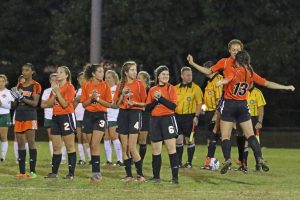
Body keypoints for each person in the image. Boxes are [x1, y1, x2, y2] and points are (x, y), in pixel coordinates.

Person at [215, 50, 295, 174]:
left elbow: (229, 77)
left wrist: (222, 82)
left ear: (237, 60)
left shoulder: (233, 69)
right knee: (250, 135)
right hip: (242, 106)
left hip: (229, 105)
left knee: (225, 136)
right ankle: (259, 158)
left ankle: (227, 159)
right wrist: (285, 87)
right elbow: (267, 83)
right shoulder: (250, 73)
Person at [113, 61, 147, 182]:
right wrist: (122, 95)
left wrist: (135, 103)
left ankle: (140, 175)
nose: (135, 72)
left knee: (132, 147)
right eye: (132, 70)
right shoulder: (120, 85)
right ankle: (128, 175)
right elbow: (115, 105)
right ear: (126, 72)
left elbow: (145, 104)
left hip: (135, 113)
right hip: (123, 114)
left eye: (135, 69)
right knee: (124, 147)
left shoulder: (139, 84)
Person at [145, 65, 179, 184]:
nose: (166, 76)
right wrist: (155, 100)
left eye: (167, 74)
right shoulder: (152, 89)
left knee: (171, 148)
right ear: (158, 76)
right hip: (155, 120)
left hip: (168, 119)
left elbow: (173, 106)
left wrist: (161, 98)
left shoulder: (172, 88)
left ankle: (175, 178)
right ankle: (156, 177)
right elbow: (147, 108)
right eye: (163, 74)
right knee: (155, 149)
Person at [80, 64, 112, 183]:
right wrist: (91, 99)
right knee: (91, 145)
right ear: (93, 74)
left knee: (94, 144)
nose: (102, 73)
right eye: (99, 71)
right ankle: (94, 174)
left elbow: (109, 104)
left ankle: (97, 173)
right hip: (88, 116)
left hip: (100, 116)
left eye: (102, 71)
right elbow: (84, 104)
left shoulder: (105, 86)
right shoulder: (86, 85)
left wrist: (97, 99)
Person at [44, 66, 77, 179]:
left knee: (70, 146)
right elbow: (48, 104)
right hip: (55, 117)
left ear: (66, 75)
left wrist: (57, 92)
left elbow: (64, 104)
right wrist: (54, 93)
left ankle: (71, 174)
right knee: (56, 147)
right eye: (57, 72)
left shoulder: (70, 87)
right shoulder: (55, 87)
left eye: (61, 72)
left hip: (66, 116)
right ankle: (54, 173)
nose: (58, 74)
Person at [11, 63, 42, 178]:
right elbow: (14, 104)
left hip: (30, 116)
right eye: (23, 70)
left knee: (31, 143)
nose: (24, 72)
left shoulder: (36, 85)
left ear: (32, 72)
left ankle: (33, 171)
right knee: (20, 144)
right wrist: (14, 97)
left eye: (27, 70)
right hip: (19, 115)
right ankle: (22, 172)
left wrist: (22, 98)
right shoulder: (20, 84)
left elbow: (35, 103)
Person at [175, 66, 203, 168]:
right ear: (182, 76)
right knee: (178, 139)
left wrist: (196, 116)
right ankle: (178, 162)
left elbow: (199, 104)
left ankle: (189, 162)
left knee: (189, 139)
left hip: (190, 117)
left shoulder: (196, 88)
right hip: (177, 116)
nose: (189, 77)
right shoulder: (176, 88)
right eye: (187, 75)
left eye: (190, 75)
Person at [236, 84, 267, 171]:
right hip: (243, 118)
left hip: (253, 119)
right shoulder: (241, 91)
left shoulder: (257, 92)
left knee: (253, 143)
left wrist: (259, 121)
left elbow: (261, 109)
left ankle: (258, 163)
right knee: (244, 142)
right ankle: (244, 164)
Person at [200, 61, 224, 169]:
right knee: (210, 138)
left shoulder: (218, 79)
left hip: (216, 112)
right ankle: (209, 160)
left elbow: (219, 99)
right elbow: (207, 99)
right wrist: (203, 109)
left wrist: (215, 114)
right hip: (209, 112)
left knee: (214, 137)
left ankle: (210, 161)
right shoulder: (209, 81)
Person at [41, 73, 68, 164]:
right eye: (52, 80)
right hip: (49, 117)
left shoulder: (63, 89)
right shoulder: (47, 91)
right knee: (51, 138)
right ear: (50, 81)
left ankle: (63, 158)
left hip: (61, 116)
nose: (55, 81)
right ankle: (54, 157)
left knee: (62, 138)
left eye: (56, 79)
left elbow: (65, 104)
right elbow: (42, 105)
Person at [103, 70, 123, 166]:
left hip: (114, 116)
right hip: (105, 116)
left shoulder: (117, 89)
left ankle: (120, 160)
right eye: (106, 77)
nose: (107, 79)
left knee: (114, 137)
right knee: (106, 138)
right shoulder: (104, 89)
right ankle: (109, 160)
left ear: (114, 78)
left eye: (109, 77)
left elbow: (118, 103)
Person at [74, 71, 91, 165]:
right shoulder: (76, 90)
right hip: (77, 117)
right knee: (79, 138)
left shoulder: (88, 89)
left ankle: (90, 158)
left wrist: (79, 99)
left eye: (83, 78)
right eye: (80, 78)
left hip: (86, 117)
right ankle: (82, 159)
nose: (82, 80)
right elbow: (74, 103)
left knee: (86, 139)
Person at [12, 75, 27, 164]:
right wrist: (17, 97)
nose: (23, 83)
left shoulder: (31, 90)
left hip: (28, 114)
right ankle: (18, 158)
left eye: (24, 81)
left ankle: (24, 157)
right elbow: (13, 105)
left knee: (26, 138)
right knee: (17, 137)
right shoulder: (15, 90)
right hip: (18, 114)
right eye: (21, 82)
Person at [137, 71, 151, 163]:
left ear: (145, 79)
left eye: (139, 78)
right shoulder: (135, 89)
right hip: (135, 115)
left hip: (145, 116)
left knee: (142, 140)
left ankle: (140, 161)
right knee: (132, 139)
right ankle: (132, 159)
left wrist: (142, 107)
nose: (137, 79)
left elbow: (149, 105)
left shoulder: (149, 90)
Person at [0, 74, 14, 162]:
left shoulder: (9, 92)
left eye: (2, 81)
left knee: (3, 136)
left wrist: (1, 104)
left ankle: (2, 156)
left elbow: (11, 106)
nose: (0, 83)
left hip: (4, 115)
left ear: (5, 82)